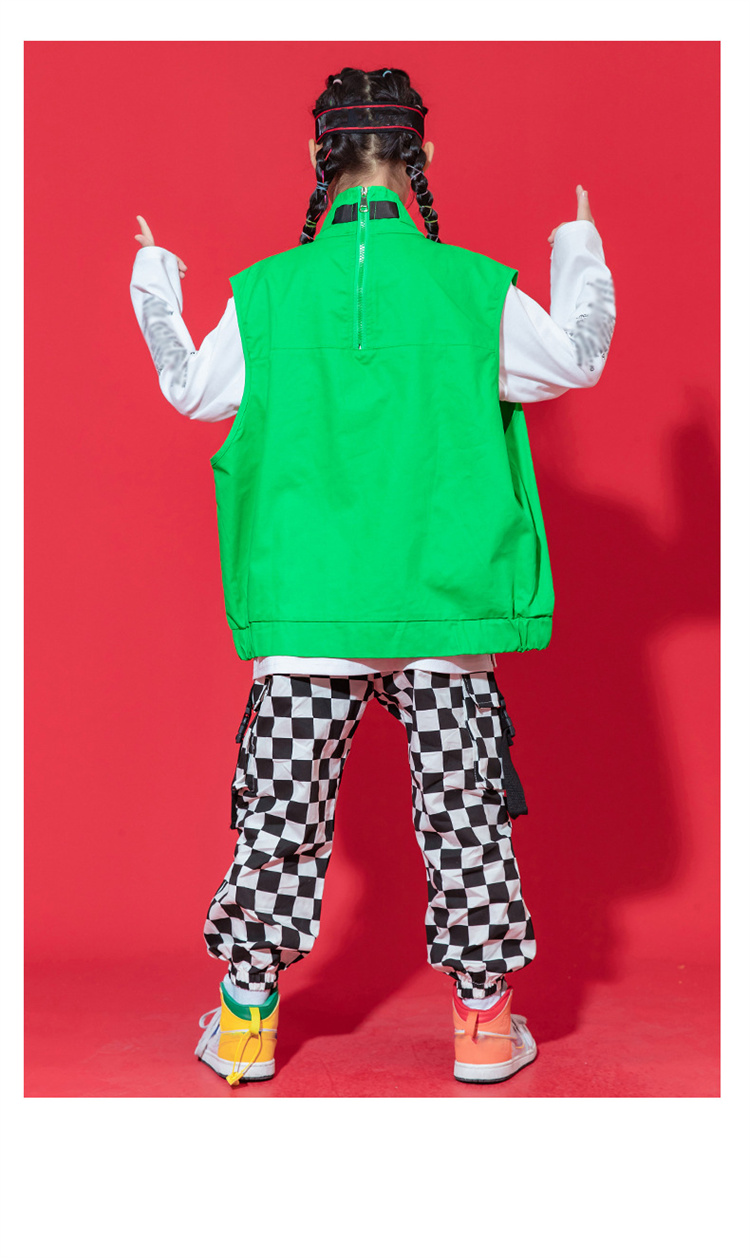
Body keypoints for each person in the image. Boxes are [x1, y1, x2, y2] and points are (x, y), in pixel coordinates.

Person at [130, 65, 616, 1088]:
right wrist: (577, 246)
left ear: (315, 158)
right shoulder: (474, 288)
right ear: (422, 156)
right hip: (445, 603)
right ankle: (484, 1028)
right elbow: (575, 356)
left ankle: (246, 1026)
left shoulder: (265, 294)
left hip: (308, 610)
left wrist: (155, 281)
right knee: (466, 817)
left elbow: (193, 389)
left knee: (280, 820)